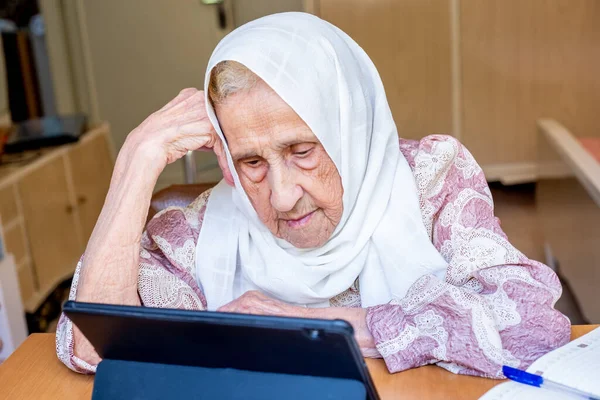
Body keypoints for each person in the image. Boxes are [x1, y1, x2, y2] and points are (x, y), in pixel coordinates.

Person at [56, 12, 570, 377]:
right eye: (251, 161)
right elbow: (92, 350)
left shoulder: (431, 179)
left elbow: (532, 324)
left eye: (302, 150)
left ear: (348, 127)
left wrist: (310, 328)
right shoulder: (195, 234)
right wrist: (135, 160)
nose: (281, 198)